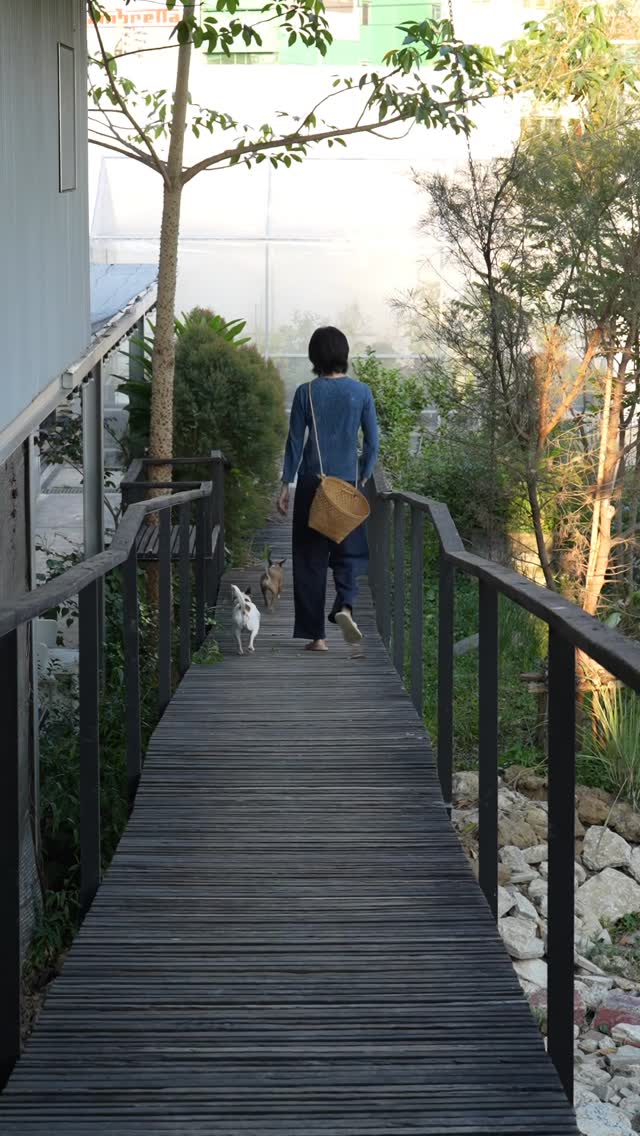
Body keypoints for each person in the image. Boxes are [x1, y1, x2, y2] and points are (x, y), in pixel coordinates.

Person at [277, 326, 379, 652]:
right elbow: (372, 443)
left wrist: (285, 483)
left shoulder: (305, 393)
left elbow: (295, 442)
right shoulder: (361, 392)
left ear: (314, 356)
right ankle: (345, 606)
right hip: (346, 485)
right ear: (344, 354)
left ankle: (316, 637)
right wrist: (364, 474)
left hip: (312, 485)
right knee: (350, 552)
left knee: (310, 559)